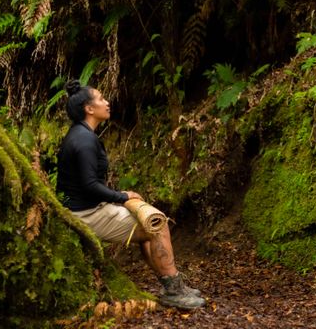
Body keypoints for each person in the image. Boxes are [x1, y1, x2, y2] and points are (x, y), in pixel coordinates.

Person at [56, 79, 205, 310]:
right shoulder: (84, 140)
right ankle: (173, 292)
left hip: (84, 208)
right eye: (101, 99)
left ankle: (172, 284)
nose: (107, 102)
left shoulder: (80, 134)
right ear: (89, 108)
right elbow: (89, 185)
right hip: (85, 214)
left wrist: (119, 196)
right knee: (157, 224)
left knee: (147, 225)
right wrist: (122, 197)